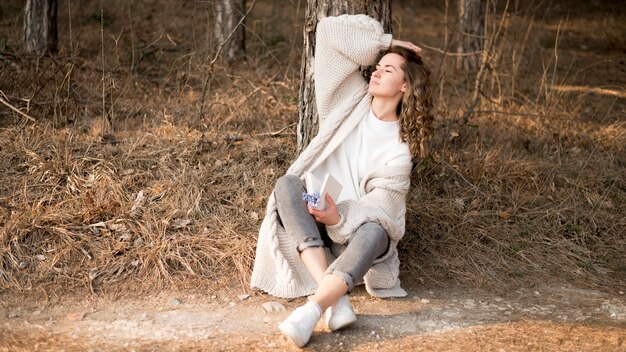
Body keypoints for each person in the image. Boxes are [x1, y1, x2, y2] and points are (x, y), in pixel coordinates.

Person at [250, 14, 433, 348]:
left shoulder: (400, 150)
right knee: (287, 185)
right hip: (310, 223)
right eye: (378, 66)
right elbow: (329, 32)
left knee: (377, 231)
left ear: (405, 86)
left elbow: (383, 210)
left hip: (348, 235)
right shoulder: (347, 100)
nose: (377, 70)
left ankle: (312, 309)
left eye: (389, 69)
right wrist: (388, 43)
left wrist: (338, 217)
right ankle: (335, 299)